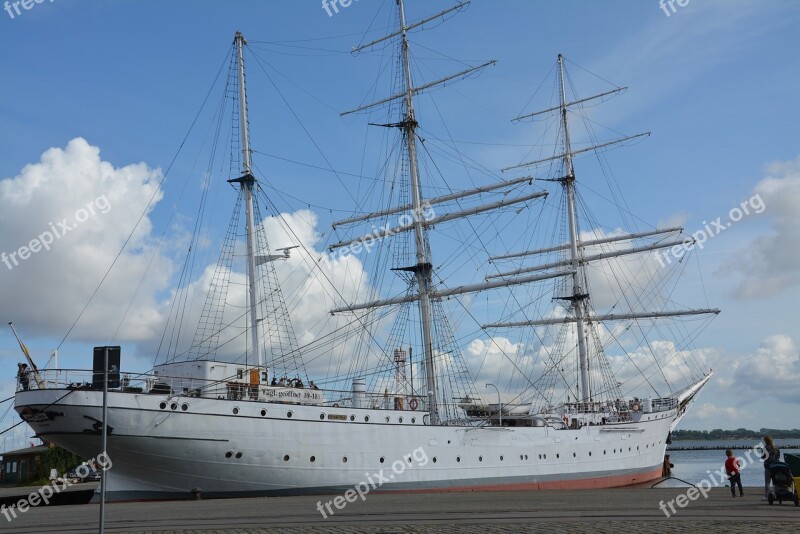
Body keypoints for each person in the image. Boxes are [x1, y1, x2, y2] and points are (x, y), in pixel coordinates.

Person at [762, 435, 781, 500]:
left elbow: (763, 457)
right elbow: (778, 456)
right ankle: (776, 495)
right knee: (775, 482)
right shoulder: (776, 448)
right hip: (776, 466)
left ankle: (767, 496)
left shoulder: (765, 448)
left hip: (768, 466)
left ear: (765, 441)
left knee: (767, 482)